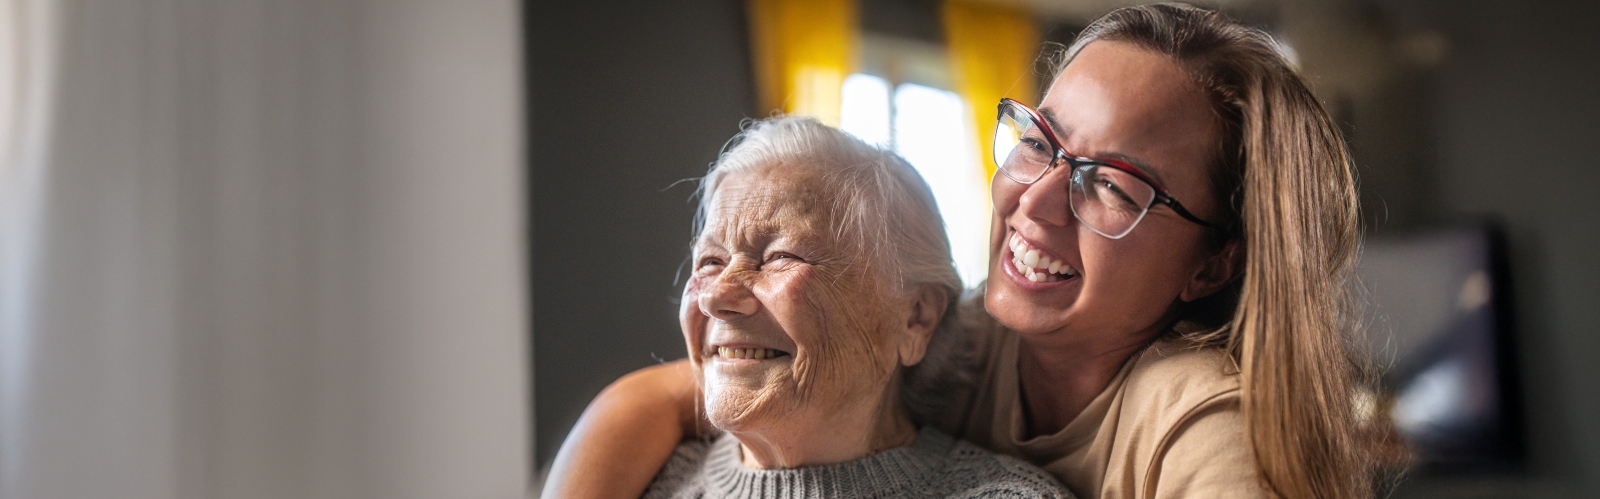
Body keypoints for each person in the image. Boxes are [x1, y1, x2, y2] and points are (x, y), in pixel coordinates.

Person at [544, 4, 1375, 498]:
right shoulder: (970, 338)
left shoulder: (1200, 419)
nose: (1037, 201)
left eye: (1113, 186)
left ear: (1212, 263)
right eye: (1039, 142)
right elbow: (665, 397)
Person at [629, 116, 1071, 498]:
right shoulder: (639, 480)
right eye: (710, 261)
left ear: (916, 318)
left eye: (782, 256)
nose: (715, 297)